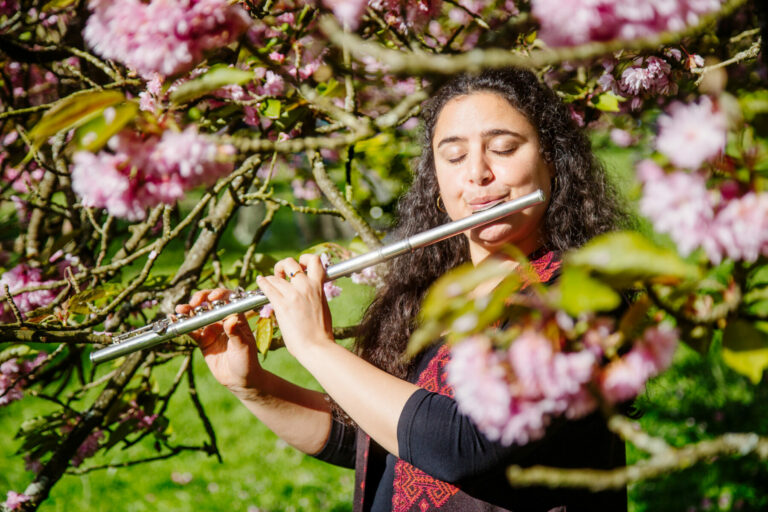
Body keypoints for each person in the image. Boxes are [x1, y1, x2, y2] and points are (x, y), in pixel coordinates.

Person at [177, 68, 630, 512]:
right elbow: (380, 439)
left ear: (552, 158)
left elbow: (466, 446)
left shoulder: (583, 295)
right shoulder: (434, 295)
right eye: (453, 157)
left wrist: (314, 346)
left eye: (504, 148)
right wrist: (251, 385)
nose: (476, 174)